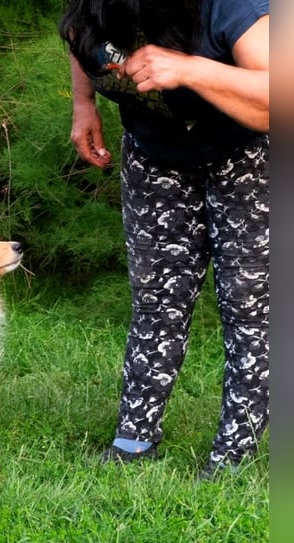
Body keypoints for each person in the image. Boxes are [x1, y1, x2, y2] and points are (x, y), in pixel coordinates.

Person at [58, 0, 269, 479]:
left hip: (249, 154)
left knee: (248, 305)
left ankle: (231, 458)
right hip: (155, 155)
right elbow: (78, 33)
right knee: (157, 299)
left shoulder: (233, 8)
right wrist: (83, 104)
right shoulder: (95, 6)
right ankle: (133, 440)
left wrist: (192, 69)